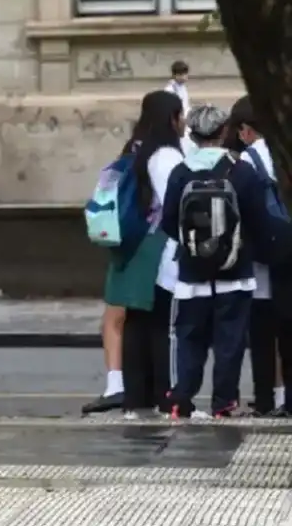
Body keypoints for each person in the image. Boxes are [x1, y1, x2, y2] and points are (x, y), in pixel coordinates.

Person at [161, 104, 292, 418]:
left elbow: (168, 221)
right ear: (223, 132)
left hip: (192, 275)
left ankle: (183, 397)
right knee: (229, 341)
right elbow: (258, 221)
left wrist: (194, 246)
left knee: (190, 337)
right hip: (236, 271)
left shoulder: (180, 172)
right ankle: (223, 403)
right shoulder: (240, 171)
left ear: (191, 134)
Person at [106, 90, 184, 419]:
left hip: (133, 245)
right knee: (159, 324)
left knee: (137, 321)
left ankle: (136, 397)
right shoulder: (166, 157)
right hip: (158, 249)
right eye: (180, 116)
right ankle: (164, 394)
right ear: (172, 118)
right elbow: (176, 204)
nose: (184, 123)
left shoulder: (136, 150)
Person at [231, 96, 292, 415]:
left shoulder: (250, 159)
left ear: (245, 130)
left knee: (262, 335)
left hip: (262, 258)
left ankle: (265, 399)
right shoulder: (283, 152)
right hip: (288, 249)